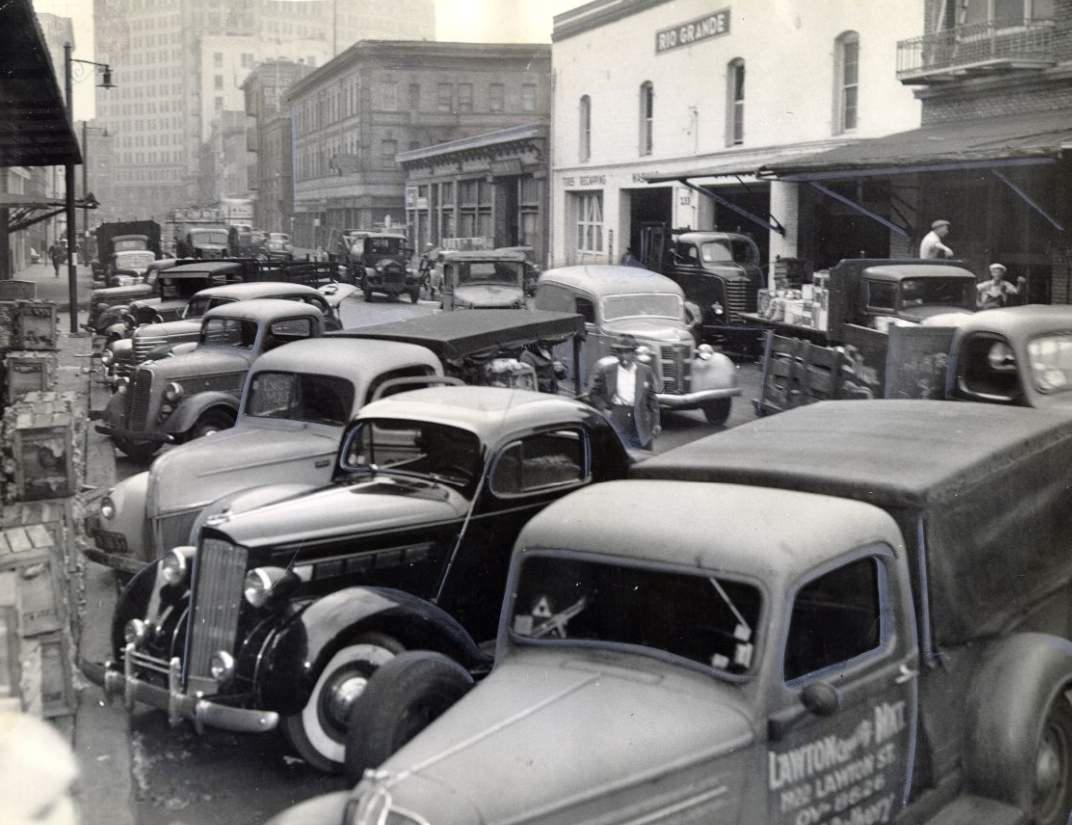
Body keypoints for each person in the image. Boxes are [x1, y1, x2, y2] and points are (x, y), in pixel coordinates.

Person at [587, 334, 660, 450]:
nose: (623, 356)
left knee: (643, 452)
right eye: (620, 352)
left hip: (639, 417)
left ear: (634, 353)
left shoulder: (645, 371)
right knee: (618, 449)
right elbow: (593, 393)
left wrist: (656, 423)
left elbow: (652, 399)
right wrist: (604, 408)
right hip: (617, 415)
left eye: (627, 352)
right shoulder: (606, 370)